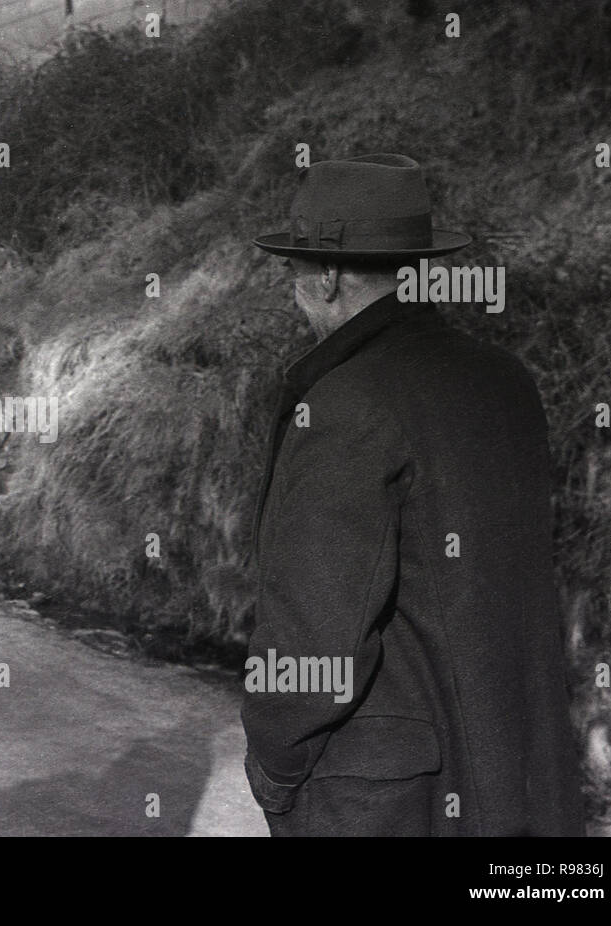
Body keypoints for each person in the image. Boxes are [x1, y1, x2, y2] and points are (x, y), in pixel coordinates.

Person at [242, 153, 584, 836]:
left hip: (387, 809)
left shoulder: (345, 405)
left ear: (329, 276)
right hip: (518, 787)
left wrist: (274, 770)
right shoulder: (506, 382)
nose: (294, 291)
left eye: (294, 272)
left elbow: (313, 646)